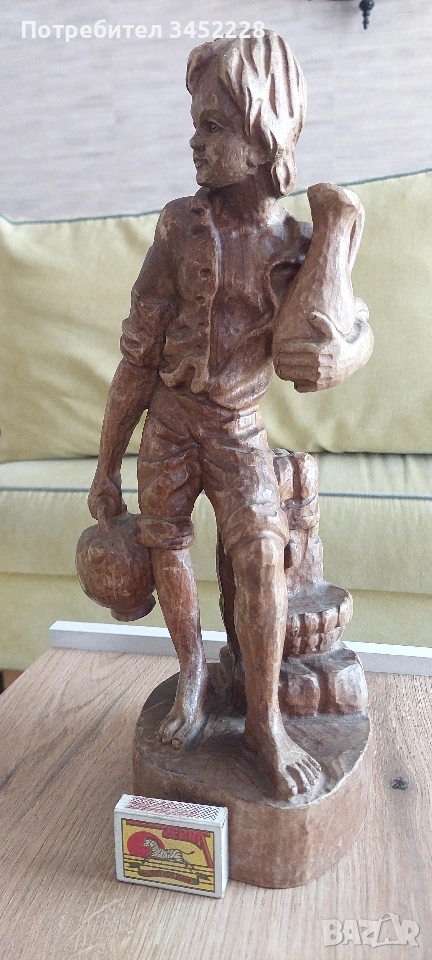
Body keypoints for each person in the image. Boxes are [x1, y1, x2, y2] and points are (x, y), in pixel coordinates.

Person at [88, 32, 373, 798]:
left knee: (260, 561)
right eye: (196, 123)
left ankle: (264, 722)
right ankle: (191, 674)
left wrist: (345, 353)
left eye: (212, 125)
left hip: (240, 430)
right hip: (170, 423)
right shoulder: (179, 226)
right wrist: (107, 462)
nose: (195, 141)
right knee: (166, 542)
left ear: (265, 133)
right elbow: (138, 353)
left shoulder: (299, 247)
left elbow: (349, 328)